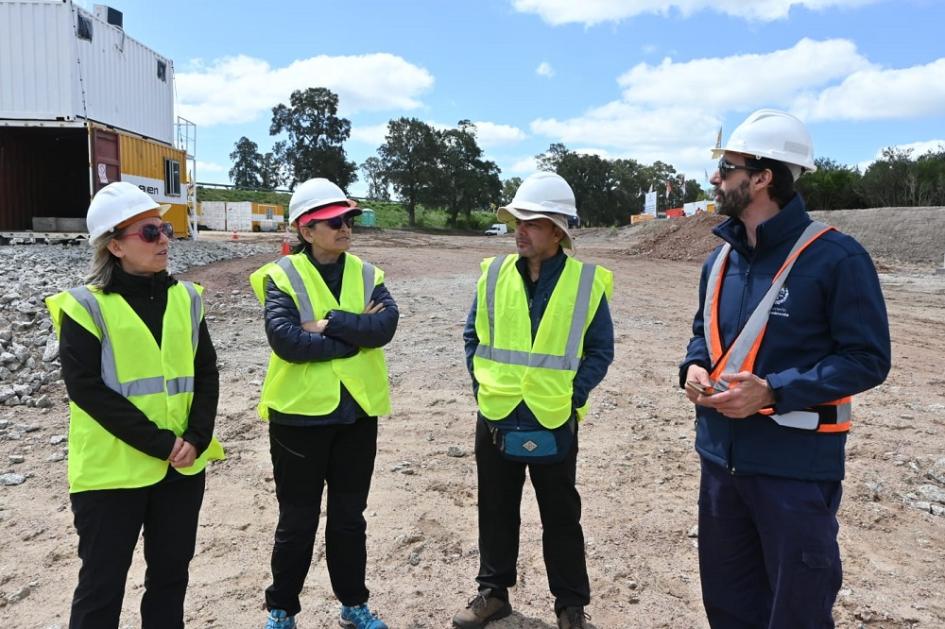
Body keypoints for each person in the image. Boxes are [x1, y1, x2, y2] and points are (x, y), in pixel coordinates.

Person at [680, 109, 891, 628]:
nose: (714, 178)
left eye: (726, 167)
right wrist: (692, 368)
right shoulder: (719, 260)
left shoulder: (836, 257)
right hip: (721, 467)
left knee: (796, 611)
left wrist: (773, 392)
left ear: (763, 177)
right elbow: (701, 338)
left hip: (794, 471)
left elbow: (868, 359)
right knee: (729, 606)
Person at [45, 181, 225, 629]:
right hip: (110, 475)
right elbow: (85, 389)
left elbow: (206, 373)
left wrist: (197, 438)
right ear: (115, 246)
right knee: (101, 587)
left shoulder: (187, 299)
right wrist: (162, 442)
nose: (165, 240)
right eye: (149, 232)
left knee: (170, 580)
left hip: (181, 467)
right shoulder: (85, 307)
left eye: (164, 229)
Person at [454, 172, 614, 629]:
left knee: (561, 515)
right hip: (497, 414)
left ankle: (570, 605)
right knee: (495, 508)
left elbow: (600, 350)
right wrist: (484, 389)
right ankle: (493, 592)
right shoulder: (493, 275)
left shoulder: (586, 282)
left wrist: (572, 395)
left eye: (532, 223)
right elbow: (472, 337)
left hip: (553, 415)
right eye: (516, 221)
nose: (519, 231)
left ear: (559, 230)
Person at [250, 178, 398, 629]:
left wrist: (328, 322)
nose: (344, 227)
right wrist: (354, 338)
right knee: (297, 521)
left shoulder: (368, 274)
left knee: (350, 519)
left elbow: (385, 327)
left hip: (356, 415)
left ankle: (353, 604)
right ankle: (282, 610)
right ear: (306, 229)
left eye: (348, 218)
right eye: (332, 221)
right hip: (298, 418)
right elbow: (287, 341)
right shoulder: (282, 275)